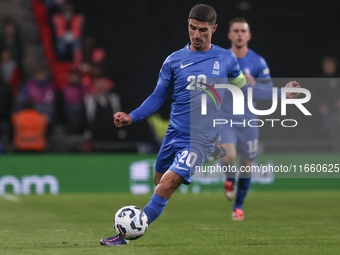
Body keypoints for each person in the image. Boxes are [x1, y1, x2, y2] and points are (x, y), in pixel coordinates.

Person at [100, 4, 300, 246]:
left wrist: (280, 94)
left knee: (166, 186)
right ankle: (211, 154)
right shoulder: (174, 60)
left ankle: (126, 236)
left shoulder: (226, 58)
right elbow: (157, 96)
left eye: (202, 30)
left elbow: (244, 90)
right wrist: (132, 116)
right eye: (192, 28)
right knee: (159, 180)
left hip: (201, 137)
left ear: (214, 29)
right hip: (174, 134)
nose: (196, 35)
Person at [219, 18, 273, 220]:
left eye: (243, 30)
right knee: (228, 156)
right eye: (236, 30)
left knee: (247, 166)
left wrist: (254, 84)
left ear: (248, 35)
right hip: (226, 118)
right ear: (230, 35)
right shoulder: (222, 59)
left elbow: (268, 90)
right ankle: (229, 180)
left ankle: (238, 206)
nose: (240, 34)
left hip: (249, 121)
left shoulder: (258, 61)